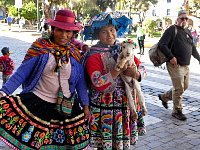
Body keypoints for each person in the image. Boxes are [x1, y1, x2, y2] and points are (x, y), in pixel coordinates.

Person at [0, 9, 91, 150]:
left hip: (66, 107)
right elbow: (21, 73)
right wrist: (4, 92)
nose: (64, 35)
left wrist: (85, 104)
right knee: (38, 144)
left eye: (68, 32)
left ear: (73, 34)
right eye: (60, 30)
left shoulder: (74, 53)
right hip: (39, 104)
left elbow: (80, 82)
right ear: (53, 29)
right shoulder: (40, 48)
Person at [83, 12, 147, 149]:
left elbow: (142, 68)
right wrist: (117, 70)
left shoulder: (123, 48)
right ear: (97, 34)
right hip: (104, 109)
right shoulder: (93, 55)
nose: (110, 35)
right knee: (104, 146)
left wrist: (137, 73)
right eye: (104, 32)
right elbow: (97, 83)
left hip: (124, 107)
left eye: (112, 30)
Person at [158, 10, 200, 121]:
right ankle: (177, 111)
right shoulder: (172, 29)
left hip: (186, 65)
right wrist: (171, 56)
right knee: (179, 88)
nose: (184, 20)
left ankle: (164, 97)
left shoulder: (187, 31)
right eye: (182, 18)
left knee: (184, 87)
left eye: (186, 18)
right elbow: (162, 44)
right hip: (175, 65)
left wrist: (199, 58)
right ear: (177, 19)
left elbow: (192, 48)